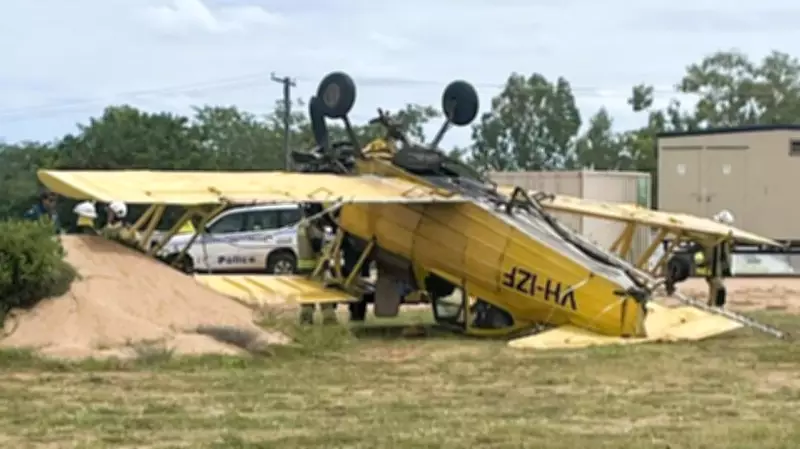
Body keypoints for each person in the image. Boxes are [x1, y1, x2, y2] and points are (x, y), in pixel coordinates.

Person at [298, 203, 338, 325]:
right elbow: (317, 244)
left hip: (305, 266)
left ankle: (306, 319)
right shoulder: (312, 225)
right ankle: (329, 319)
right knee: (322, 292)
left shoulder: (304, 224)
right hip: (315, 265)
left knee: (307, 294)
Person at [690, 209, 734, 307]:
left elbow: (726, 252)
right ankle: (715, 306)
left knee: (714, 288)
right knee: (717, 287)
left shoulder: (724, 238)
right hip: (712, 267)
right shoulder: (712, 236)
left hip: (718, 267)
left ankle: (711, 305)